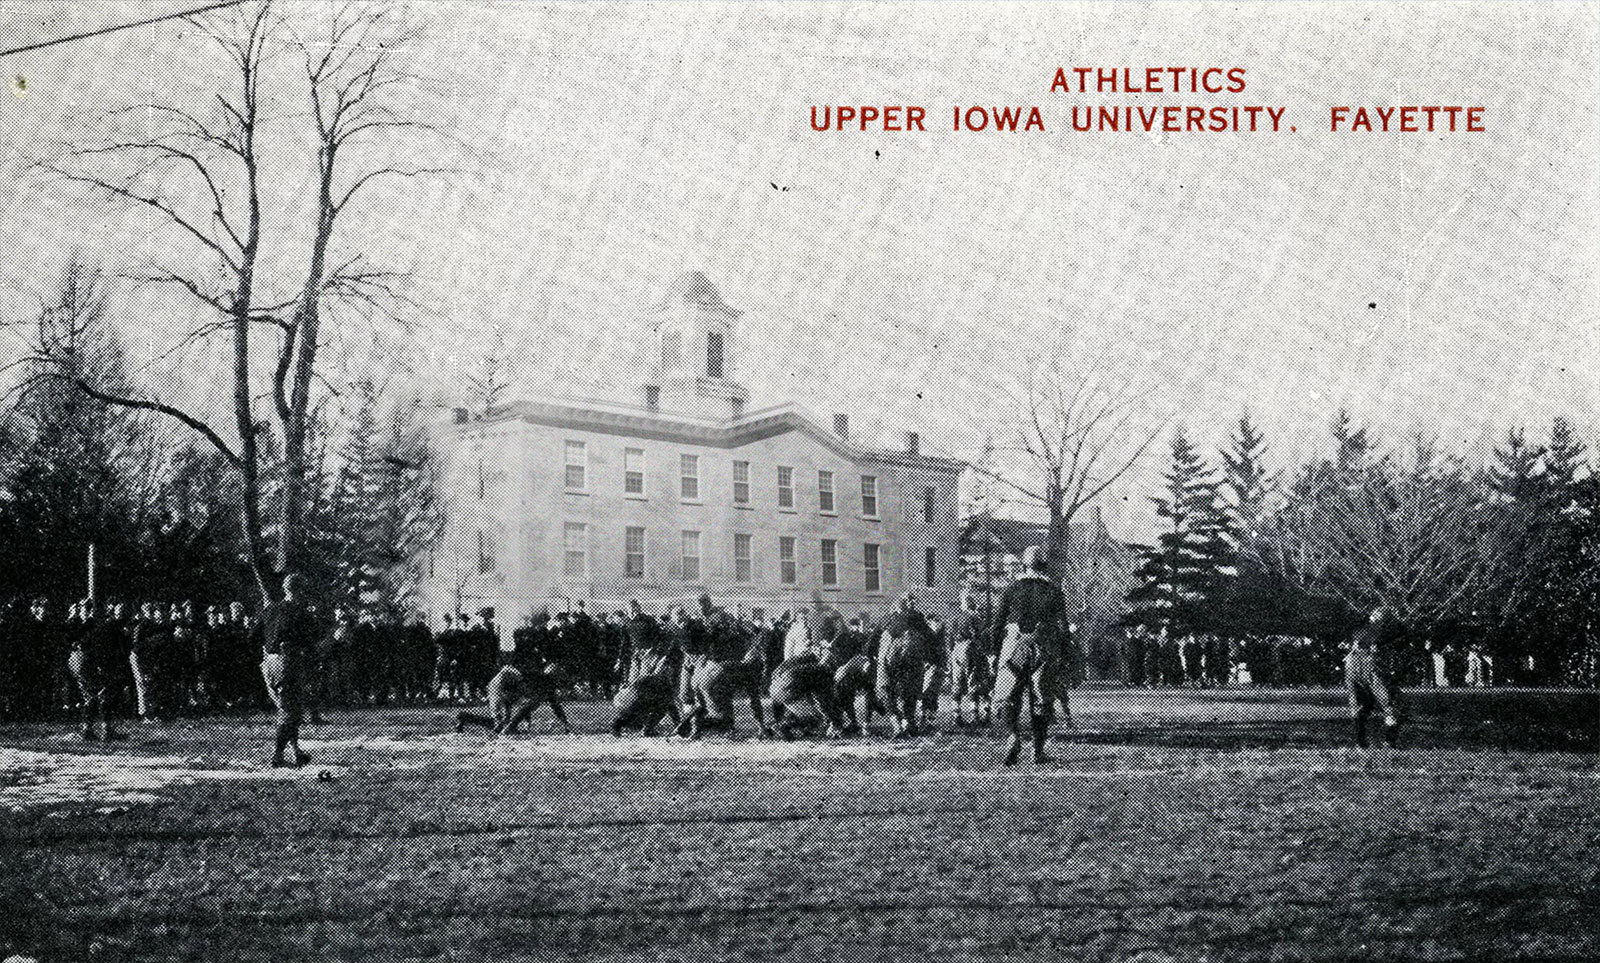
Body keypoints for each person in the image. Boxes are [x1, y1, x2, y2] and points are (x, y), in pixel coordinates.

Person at [991, 545, 1068, 766]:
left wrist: (993, 653)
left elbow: (996, 624)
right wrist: (1062, 654)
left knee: (1006, 696)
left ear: (1024, 564)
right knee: (1041, 700)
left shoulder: (1011, 589)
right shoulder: (1054, 591)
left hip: (1014, 645)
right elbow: (1062, 628)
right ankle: (1038, 751)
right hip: (1042, 646)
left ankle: (1013, 735)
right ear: (1043, 564)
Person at [257, 574, 319, 767]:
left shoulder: (270, 610)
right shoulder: (301, 612)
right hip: (288, 662)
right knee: (291, 713)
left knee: (288, 710)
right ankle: (277, 755)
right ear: (299, 591)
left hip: (269, 663)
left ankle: (296, 750)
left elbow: (253, 635)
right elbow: (311, 643)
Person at [456, 658, 573, 735]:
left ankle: (465, 717)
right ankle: (510, 726)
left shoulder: (541, 680)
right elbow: (536, 704)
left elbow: (536, 704)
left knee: (500, 726)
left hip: (506, 690)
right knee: (501, 726)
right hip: (502, 685)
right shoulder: (539, 678)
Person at [875, 593, 932, 739]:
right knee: (911, 687)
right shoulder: (918, 617)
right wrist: (934, 658)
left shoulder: (887, 619)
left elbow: (873, 640)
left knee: (884, 688)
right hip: (912, 652)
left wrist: (870, 656)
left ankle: (896, 723)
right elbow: (930, 636)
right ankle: (908, 722)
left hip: (889, 654)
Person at [1345, 607, 1400, 748]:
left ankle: (1362, 741)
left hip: (1355, 668)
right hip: (1368, 668)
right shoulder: (1379, 633)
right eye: (1379, 616)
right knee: (1386, 705)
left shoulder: (1359, 632)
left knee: (1363, 707)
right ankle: (1388, 740)